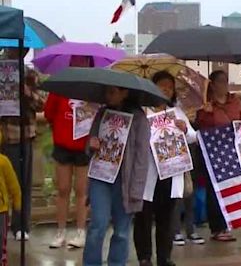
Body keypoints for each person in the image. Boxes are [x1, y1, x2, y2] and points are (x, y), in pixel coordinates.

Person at [133, 71, 202, 266]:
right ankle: (144, 257)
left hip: (171, 172)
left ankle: (165, 256)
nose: (166, 89)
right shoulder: (143, 112)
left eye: (170, 87)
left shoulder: (177, 113)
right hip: (147, 174)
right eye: (162, 85)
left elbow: (194, 137)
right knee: (143, 217)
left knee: (167, 218)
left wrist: (185, 129)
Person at [82, 86, 151, 266]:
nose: (108, 95)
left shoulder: (139, 119)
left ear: (125, 92)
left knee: (121, 230)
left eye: (112, 92)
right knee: (98, 225)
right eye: (107, 92)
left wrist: (137, 189)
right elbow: (89, 144)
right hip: (101, 176)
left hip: (125, 182)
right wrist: (91, 144)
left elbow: (141, 157)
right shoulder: (102, 113)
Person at [195, 70, 241, 242]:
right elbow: (200, 127)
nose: (224, 84)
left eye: (226, 81)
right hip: (212, 151)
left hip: (230, 151)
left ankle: (227, 222)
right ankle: (217, 227)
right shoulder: (205, 104)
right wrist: (206, 112)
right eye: (220, 81)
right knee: (213, 190)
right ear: (213, 84)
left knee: (229, 187)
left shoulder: (234, 101)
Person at [45, 55, 92, 249]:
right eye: (76, 60)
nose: (80, 64)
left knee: (81, 192)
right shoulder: (60, 87)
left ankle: (80, 232)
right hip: (63, 144)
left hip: (84, 146)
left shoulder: (92, 89)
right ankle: (61, 232)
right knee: (63, 190)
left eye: (84, 61)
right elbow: (48, 113)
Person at [0, 48, 44, 241]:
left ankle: (21, 226)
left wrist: (26, 92)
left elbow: (41, 104)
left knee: (24, 183)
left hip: (25, 135)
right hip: (5, 135)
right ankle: (6, 221)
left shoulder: (30, 75)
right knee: (7, 182)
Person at [0, 131, 21, 265]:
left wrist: (17, 202)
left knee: (0, 243)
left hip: (1, 211)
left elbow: (14, 185)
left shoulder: (3, 162)